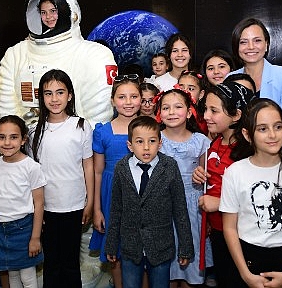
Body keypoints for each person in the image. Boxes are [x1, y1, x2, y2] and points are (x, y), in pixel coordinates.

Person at [0, 0, 117, 127]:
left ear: (68, 11)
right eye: (43, 12)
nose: (48, 17)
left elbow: (98, 116)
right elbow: (7, 112)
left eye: (53, 11)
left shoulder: (95, 55)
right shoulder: (15, 55)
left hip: (76, 142)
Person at [105, 116, 194, 288]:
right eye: (139, 141)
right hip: (131, 246)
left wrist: (185, 246)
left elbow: (180, 210)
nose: (146, 147)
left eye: (152, 141)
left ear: (160, 143)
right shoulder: (121, 168)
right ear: (129, 145)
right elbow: (116, 210)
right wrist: (111, 244)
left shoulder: (170, 167)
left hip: (161, 246)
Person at [220, 98, 282, 287]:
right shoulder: (235, 172)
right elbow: (230, 227)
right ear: (248, 135)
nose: (272, 135)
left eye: (278, 127)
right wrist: (246, 275)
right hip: (247, 257)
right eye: (263, 129)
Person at [28, 70, 93, 287]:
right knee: (52, 264)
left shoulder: (81, 126)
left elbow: (88, 165)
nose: (54, 99)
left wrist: (90, 201)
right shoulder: (33, 132)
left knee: (70, 263)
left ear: (70, 95)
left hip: (74, 205)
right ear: (41, 97)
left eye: (60, 92)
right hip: (46, 208)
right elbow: (31, 173)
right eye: (48, 94)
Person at [192, 82, 256, 288]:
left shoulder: (248, 151)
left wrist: (218, 203)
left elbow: (254, 198)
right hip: (219, 231)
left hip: (242, 234)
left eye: (214, 111)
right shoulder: (216, 143)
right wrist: (200, 176)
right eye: (205, 109)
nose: (206, 116)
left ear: (236, 115)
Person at [90, 74, 142, 288]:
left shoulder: (152, 129)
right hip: (112, 197)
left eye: (133, 96)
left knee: (142, 248)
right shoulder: (102, 132)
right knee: (116, 250)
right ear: (112, 100)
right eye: (122, 97)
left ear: (141, 98)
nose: (128, 102)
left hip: (143, 195)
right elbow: (97, 172)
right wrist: (96, 209)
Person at [157, 89, 211, 287]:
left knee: (191, 264)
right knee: (167, 265)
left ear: (189, 113)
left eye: (178, 107)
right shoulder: (155, 141)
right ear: (159, 113)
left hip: (192, 205)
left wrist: (201, 175)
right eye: (166, 107)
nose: (171, 112)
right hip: (163, 206)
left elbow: (207, 177)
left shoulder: (201, 141)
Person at [0, 115, 46, 288]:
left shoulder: (31, 167)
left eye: (13, 137)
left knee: (27, 276)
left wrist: (35, 237)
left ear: (23, 139)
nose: (7, 142)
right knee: (11, 274)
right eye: (2, 137)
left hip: (23, 228)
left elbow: (39, 204)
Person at [228, 18, 282, 132]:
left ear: (266, 44)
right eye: (243, 42)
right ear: (236, 47)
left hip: (276, 144)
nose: (251, 47)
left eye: (257, 40)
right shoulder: (230, 79)